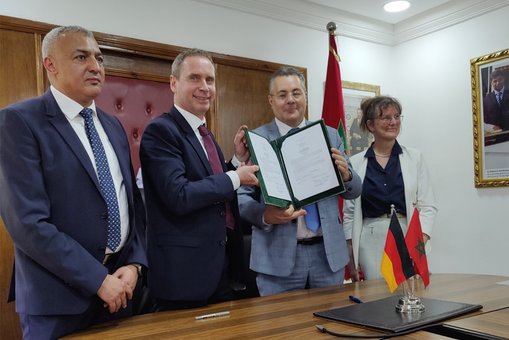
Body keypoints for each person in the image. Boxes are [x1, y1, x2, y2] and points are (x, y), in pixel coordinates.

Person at [0, 26, 147, 340]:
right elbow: (28, 223)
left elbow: (130, 204)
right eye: (82, 57)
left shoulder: (113, 126)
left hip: (119, 294)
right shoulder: (19, 122)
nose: (96, 66)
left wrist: (134, 263)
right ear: (50, 64)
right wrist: (98, 280)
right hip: (57, 302)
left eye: (99, 58)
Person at [139, 48, 259, 310]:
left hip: (221, 268)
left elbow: (209, 182)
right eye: (195, 78)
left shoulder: (204, 133)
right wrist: (235, 177)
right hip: (183, 276)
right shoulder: (161, 131)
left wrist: (236, 162)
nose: (204, 87)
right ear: (174, 83)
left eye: (210, 80)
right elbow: (179, 195)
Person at [237, 67, 362, 296]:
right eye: (282, 95)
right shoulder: (257, 141)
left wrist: (347, 176)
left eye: (296, 93)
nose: (290, 100)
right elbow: (241, 198)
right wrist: (265, 216)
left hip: (327, 256)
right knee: (281, 329)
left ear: (305, 96)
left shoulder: (331, 135)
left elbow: (355, 190)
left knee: (331, 327)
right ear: (271, 100)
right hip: (277, 259)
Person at [343, 96, 437, 281]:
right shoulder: (355, 163)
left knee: (409, 297)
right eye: (386, 117)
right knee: (376, 299)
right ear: (370, 125)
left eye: (397, 116)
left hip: (407, 234)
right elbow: (350, 213)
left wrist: (420, 241)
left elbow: (428, 205)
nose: (393, 122)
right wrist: (351, 256)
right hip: (370, 238)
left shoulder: (415, 158)